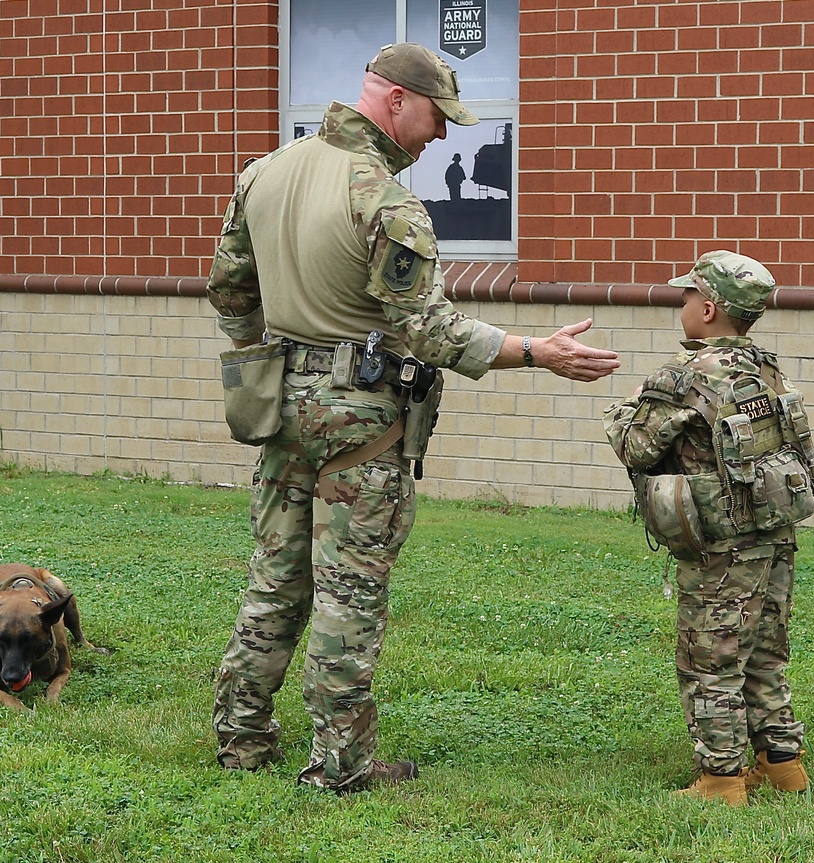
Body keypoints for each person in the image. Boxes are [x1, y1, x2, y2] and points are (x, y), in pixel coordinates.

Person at [205, 41, 620, 794]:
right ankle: (339, 767)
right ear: (394, 99)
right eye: (437, 117)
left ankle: (241, 737)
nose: (444, 136)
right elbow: (428, 331)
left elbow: (229, 288)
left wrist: (272, 360)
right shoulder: (386, 201)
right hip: (360, 424)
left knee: (275, 580)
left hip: (279, 407)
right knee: (348, 593)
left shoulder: (264, 172)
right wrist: (537, 350)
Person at [603, 250, 814, 805]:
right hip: (775, 532)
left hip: (721, 543)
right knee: (766, 649)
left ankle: (720, 780)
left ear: (709, 308)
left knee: (711, 656)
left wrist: (623, 411)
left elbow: (638, 446)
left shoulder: (683, 375)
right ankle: (782, 763)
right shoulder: (767, 370)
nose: (682, 303)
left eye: (687, 295)